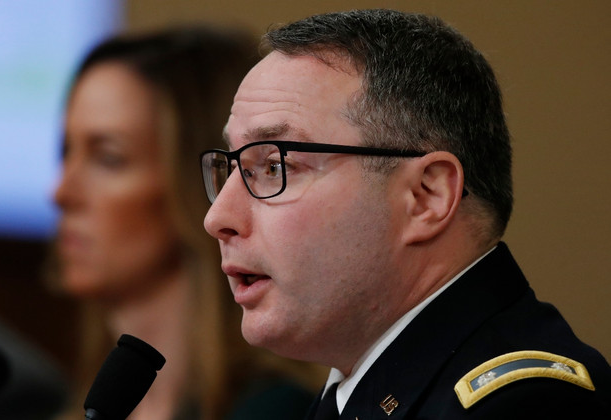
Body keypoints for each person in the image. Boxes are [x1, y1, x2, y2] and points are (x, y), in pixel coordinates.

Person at [200, 9, 611, 419]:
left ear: (426, 196)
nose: (218, 217)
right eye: (232, 168)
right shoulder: (352, 396)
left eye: (275, 166)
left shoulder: (526, 406)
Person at [52, 26, 323, 420]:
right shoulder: (76, 403)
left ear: (204, 182)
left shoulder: (274, 411)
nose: (61, 192)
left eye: (107, 158)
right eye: (66, 152)